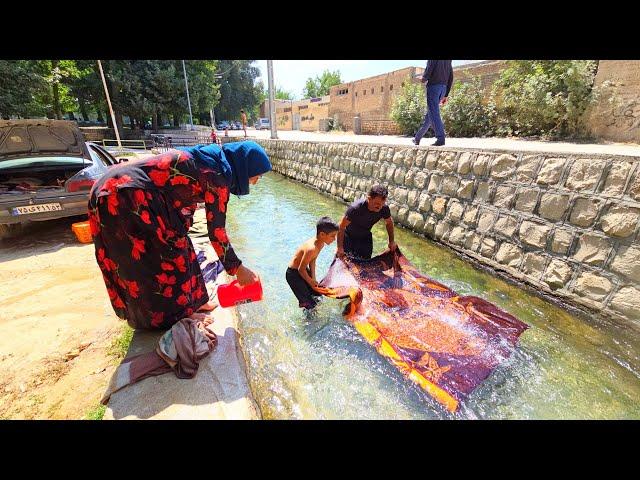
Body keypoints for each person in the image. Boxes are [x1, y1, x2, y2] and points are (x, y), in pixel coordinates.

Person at [88, 141, 272, 330]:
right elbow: (217, 232)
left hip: (128, 187)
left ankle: (193, 305)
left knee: (181, 246)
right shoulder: (217, 175)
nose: (255, 182)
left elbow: (182, 190)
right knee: (156, 260)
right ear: (245, 166)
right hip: (123, 192)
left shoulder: (212, 159)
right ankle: (174, 319)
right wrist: (238, 269)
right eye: (256, 176)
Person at [286, 216, 339, 310]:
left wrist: (313, 278)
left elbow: (313, 260)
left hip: (303, 270)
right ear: (322, 234)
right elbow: (300, 269)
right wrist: (310, 282)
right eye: (332, 236)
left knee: (318, 296)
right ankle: (308, 322)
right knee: (309, 304)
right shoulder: (311, 248)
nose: (334, 239)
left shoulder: (321, 243)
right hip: (293, 275)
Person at [336, 184, 396, 260]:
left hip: (365, 237)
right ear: (369, 199)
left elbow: (389, 223)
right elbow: (341, 226)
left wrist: (391, 241)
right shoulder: (356, 208)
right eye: (377, 204)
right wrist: (340, 247)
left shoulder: (384, 208)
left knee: (366, 263)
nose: (379, 207)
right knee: (346, 262)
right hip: (349, 237)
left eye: (382, 204)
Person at [413, 60, 454, 147]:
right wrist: (446, 94)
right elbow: (451, 76)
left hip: (434, 87)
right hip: (443, 88)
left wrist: (423, 79)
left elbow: (429, 68)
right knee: (430, 115)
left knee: (434, 113)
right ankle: (417, 138)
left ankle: (441, 138)